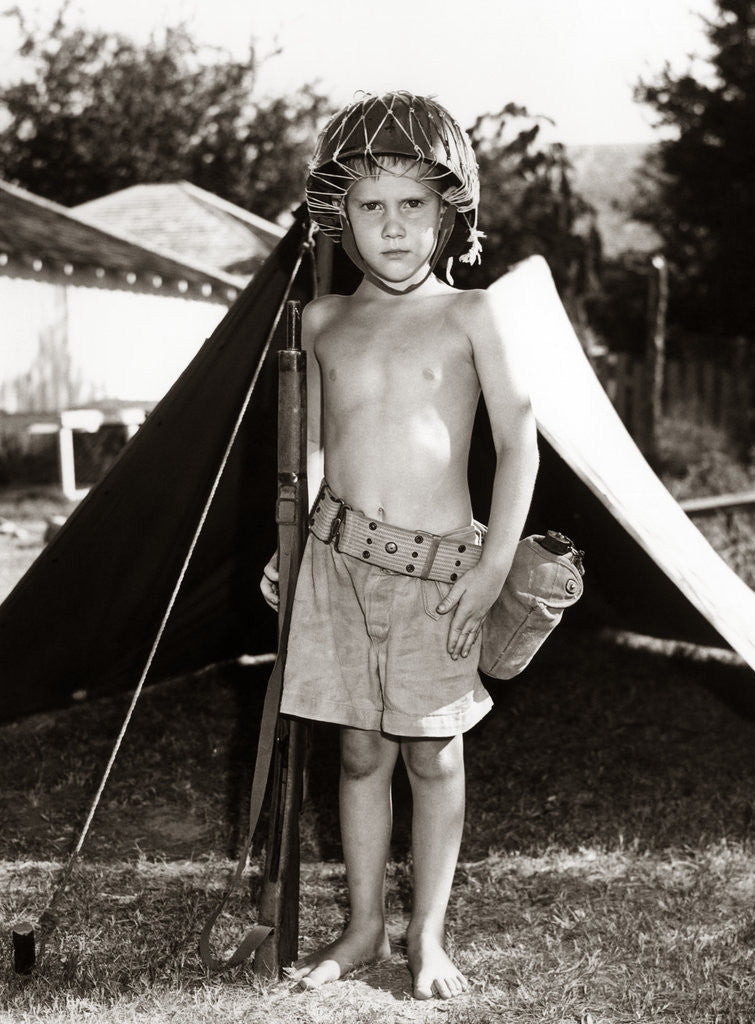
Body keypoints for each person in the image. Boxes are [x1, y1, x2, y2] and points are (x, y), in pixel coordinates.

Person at [260, 91, 538, 1001]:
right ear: (339, 216)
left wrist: (493, 569)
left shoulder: (472, 313)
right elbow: (312, 448)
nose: (391, 225)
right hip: (337, 566)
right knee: (358, 754)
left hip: (439, 574)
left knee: (433, 754)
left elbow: (521, 442)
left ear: (447, 213)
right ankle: (364, 926)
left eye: (413, 203)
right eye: (370, 204)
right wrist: (292, 542)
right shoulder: (320, 322)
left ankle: (428, 935)